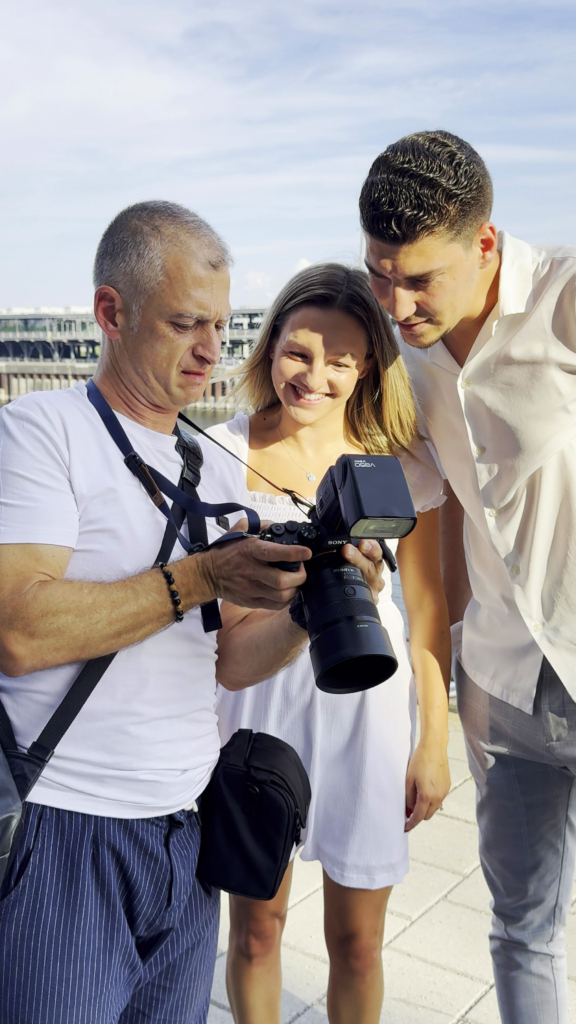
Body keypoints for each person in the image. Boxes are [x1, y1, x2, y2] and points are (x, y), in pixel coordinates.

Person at [0, 202, 384, 1024]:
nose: (210, 350)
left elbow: (231, 661)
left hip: (186, 830)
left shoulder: (204, 460)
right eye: (184, 324)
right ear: (111, 312)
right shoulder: (39, 432)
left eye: (218, 324)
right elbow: (19, 631)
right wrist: (203, 576)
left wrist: (308, 606)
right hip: (70, 824)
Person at [359, 129, 576, 1024]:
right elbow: (413, 510)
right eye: (380, 274)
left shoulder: (563, 298)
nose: (397, 302)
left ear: (485, 245)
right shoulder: (405, 354)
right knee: (522, 926)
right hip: (504, 688)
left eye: (419, 279)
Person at [199, 263, 451, 1024]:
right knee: (254, 933)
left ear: (369, 362)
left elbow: (432, 611)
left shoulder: (402, 464)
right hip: (256, 705)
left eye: (340, 361)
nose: (314, 377)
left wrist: (432, 741)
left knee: (361, 944)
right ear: (269, 342)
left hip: (368, 706)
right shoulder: (215, 452)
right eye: (298, 352)